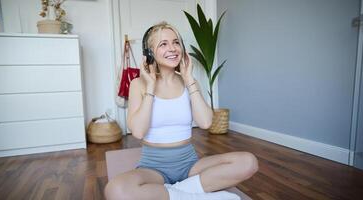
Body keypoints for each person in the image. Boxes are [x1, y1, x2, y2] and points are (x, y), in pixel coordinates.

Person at [104, 21, 258, 200]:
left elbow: (206, 122)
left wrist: (189, 78)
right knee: (116, 190)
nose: (173, 48)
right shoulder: (138, 84)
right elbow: (138, 131)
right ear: (149, 53)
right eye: (163, 44)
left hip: (190, 165)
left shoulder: (189, 82)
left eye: (176, 42)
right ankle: (193, 194)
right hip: (153, 168)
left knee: (248, 162)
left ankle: (177, 192)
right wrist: (151, 86)